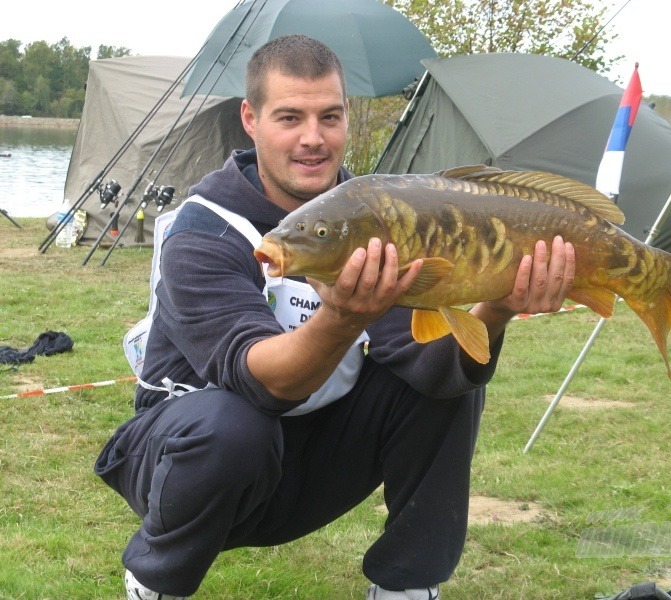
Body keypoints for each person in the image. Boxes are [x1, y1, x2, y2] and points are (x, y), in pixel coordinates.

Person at [95, 34, 576, 600]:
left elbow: (427, 371)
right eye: (289, 117)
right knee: (232, 425)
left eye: (330, 116)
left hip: (309, 456)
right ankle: (157, 581)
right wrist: (343, 317)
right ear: (249, 119)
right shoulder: (205, 228)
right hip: (187, 456)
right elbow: (262, 385)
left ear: (348, 116)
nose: (313, 139)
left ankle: (407, 586)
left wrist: (494, 310)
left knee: (454, 381)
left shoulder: (377, 215)